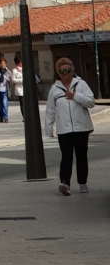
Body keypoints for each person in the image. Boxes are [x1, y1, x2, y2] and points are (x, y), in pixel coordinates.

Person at [45, 57, 95, 196]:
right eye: (61, 71)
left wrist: (75, 96)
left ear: (72, 70)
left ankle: (82, 182)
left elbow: (91, 101)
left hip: (81, 128)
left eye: (67, 70)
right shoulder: (55, 89)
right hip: (64, 129)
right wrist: (49, 128)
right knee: (66, 156)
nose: (65, 73)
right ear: (58, 73)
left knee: (81, 156)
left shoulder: (81, 84)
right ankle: (65, 183)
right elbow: (50, 110)